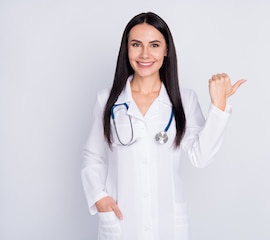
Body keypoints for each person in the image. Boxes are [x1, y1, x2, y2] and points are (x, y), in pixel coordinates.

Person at [81, 12, 246, 240]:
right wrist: (98, 196)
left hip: (168, 225)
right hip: (121, 224)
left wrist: (218, 107)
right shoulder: (107, 100)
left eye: (155, 45)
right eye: (136, 44)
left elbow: (201, 157)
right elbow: (93, 155)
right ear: (126, 49)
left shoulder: (184, 100)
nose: (145, 54)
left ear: (166, 50)